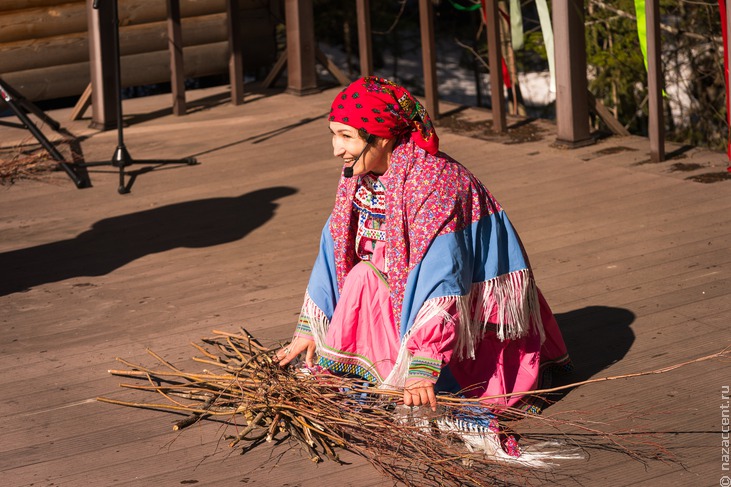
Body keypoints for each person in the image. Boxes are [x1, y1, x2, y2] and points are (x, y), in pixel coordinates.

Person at [277, 76, 571, 419]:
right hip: (406, 295)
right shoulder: (360, 175)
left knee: (364, 278)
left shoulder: (434, 184)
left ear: (384, 136)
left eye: (346, 137)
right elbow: (334, 247)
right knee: (360, 276)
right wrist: (311, 328)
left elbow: (443, 278)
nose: (335, 149)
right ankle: (378, 369)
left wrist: (422, 365)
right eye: (333, 134)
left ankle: (415, 374)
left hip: (463, 321)